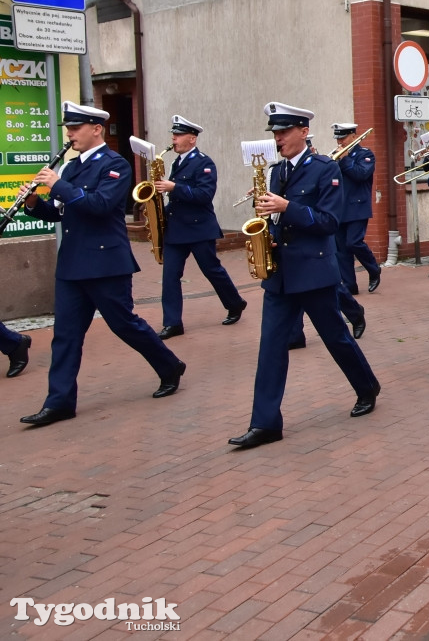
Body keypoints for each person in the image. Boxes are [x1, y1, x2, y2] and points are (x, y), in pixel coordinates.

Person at [18, 101, 187, 427]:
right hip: (71, 265)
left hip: (105, 261)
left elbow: (99, 205)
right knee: (65, 335)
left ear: (97, 129)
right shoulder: (69, 168)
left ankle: (169, 365)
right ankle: (59, 402)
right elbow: (60, 212)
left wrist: (58, 185)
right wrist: (34, 202)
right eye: (68, 129)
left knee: (124, 324)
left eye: (75, 128)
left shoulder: (115, 164)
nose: (70, 134)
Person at [229, 102, 380, 448]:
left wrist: (287, 208)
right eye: (275, 133)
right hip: (281, 274)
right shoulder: (275, 171)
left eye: (283, 132)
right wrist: (266, 220)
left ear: (303, 132)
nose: (278, 139)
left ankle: (367, 386)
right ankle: (265, 423)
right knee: (270, 348)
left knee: (336, 338)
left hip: (313, 271)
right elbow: (275, 218)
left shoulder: (326, 168)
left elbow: (329, 222)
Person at [153, 115, 247, 340]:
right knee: (170, 276)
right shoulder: (176, 162)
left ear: (192, 139)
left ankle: (235, 303)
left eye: (178, 135)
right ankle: (173, 323)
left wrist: (174, 187)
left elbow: (204, 196)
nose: (173, 139)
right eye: (173, 135)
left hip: (198, 228)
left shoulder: (204, 162)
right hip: (176, 229)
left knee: (211, 270)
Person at [332, 122, 381, 295]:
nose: (340, 142)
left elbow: (361, 174)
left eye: (343, 137)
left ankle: (373, 269)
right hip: (339, 208)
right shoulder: (337, 156)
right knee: (341, 250)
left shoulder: (365, 154)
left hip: (357, 207)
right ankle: (349, 285)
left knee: (354, 242)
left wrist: (345, 159)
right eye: (338, 138)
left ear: (353, 136)